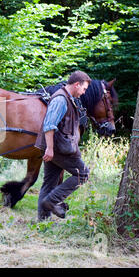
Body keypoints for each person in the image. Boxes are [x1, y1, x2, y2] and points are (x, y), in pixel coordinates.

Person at [35, 71, 91, 221]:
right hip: (58, 149)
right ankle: (51, 202)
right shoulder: (60, 99)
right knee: (82, 174)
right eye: (84, 89)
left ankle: (42, 221)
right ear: (76, 84)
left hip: (58, 147)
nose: (84, 92)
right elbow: (49, 125)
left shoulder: (68, 98)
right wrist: (50, 148)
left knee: (49, 182)